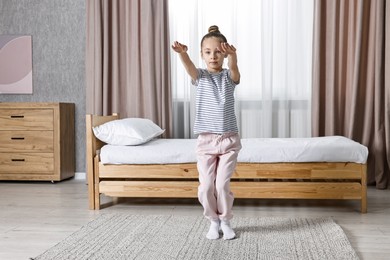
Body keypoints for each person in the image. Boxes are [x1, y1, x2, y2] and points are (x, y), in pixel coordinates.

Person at [172, 25, 242, 240]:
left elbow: (235, 72)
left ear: (224, 53)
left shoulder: (229, 78)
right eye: (208, 52)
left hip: (228, 140)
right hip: (206, 141)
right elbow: (190, 67)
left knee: (221, 185)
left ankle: (226, 220)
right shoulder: (200, 77)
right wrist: (184, 54)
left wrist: (234, 57)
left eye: (218, 52)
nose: (213, 56)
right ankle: (213, 221)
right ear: (202, 54)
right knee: (206, 186)